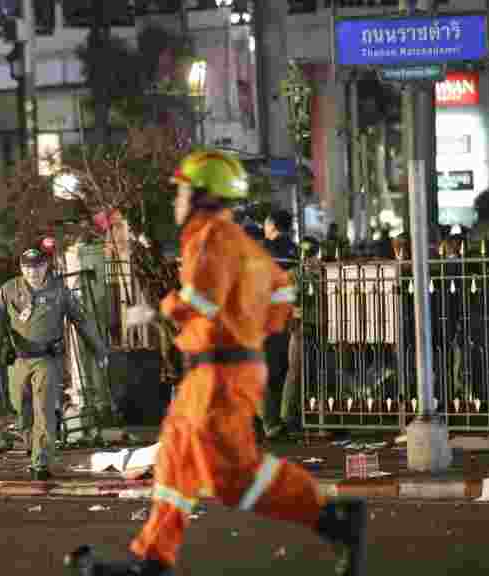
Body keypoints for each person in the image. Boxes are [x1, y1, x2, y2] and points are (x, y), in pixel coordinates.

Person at [64, 150, 366, 576]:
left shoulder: (213, 238)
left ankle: (333, 518)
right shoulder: (228, 239)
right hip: (211, 369)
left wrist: (157, 309)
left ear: (203, 195)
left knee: (232, 477)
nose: (176, 200)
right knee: (175, 464)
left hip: (222, 374)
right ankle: (151, 559)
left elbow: (201, 302)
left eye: (182, 191)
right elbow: (279, 299)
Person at [0, 245, 108, 481]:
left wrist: (98, 349)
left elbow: (81, 319)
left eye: (38, 267)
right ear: (21, 269)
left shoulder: (59, 290)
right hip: (19, 360)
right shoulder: (10, 289)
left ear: (46, 266)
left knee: (44, 409)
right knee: (21, 406)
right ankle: (32, 443)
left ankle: (41, 460)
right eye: (28, 268)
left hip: (48, 359)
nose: (33, 273)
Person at [261, 209, 299, 439]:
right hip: (289, 315)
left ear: (273, 224)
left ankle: (270, 423)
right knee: (284, 368)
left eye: (266, 223)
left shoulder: (263, 249)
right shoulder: (295, 250)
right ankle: (286, 419)